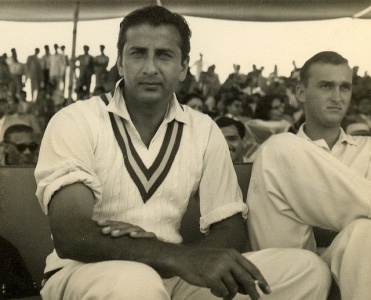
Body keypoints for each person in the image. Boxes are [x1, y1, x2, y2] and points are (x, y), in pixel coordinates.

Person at [35, 6, 331, 300]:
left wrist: (185, 261)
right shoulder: (76, 120)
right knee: (136, 282)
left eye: (164, 55)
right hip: (84, 272)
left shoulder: (202, 129)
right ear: (120, 63)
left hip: (173, 275)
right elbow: (72, 234)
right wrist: (178, 258)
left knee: (306, 269)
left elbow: (229, 226)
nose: (150, 68)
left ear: (183, 68)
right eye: (138, 53)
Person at [246, 51, 371, 300]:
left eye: (344, 88)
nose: (337, 97)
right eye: (326, 86)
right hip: (289, 269)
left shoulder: (367, 149)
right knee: (278, 147)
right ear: (301, 93)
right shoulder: (278, 152)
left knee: (361, 233)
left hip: (355, 266)